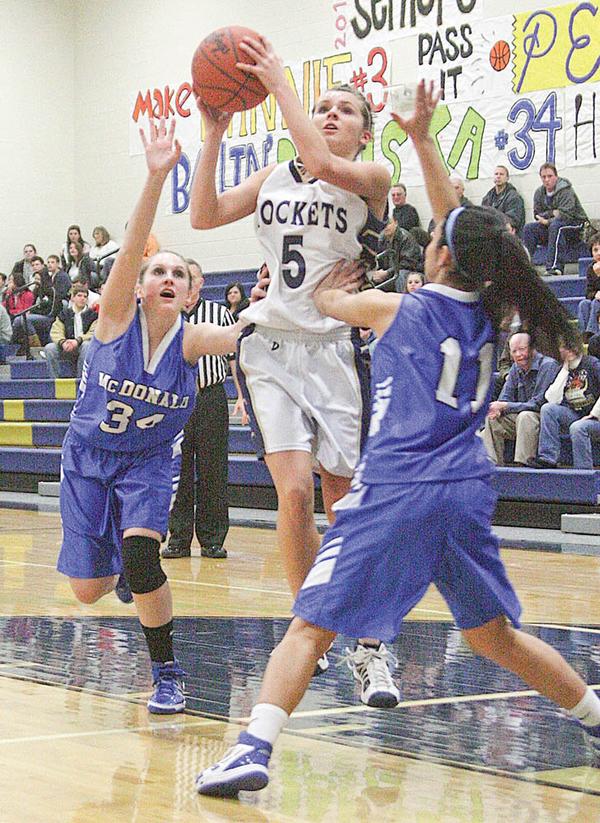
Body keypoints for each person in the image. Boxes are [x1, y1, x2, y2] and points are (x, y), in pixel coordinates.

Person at [196, 80, 600, 799]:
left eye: (435, 237)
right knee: (494, 637)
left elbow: (324, 300)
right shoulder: (488, 311)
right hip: (467, 494)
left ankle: (253, 744)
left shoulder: (397, 310)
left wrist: (325, 290)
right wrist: (422, 138)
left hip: (399, 490)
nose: (431, 233)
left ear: (440, 256)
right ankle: (594, 713)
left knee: (309, 627)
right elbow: (459, 221)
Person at [190, 35, 400, 706]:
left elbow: (316, 154)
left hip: (335, 348)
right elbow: (203, 213)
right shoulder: (277, 177)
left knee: (346, 505)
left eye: (344, 110)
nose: (330, 114)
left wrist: (279, 83)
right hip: (271, 346)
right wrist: (213, 134)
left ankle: (370, 646)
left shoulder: (374, 178)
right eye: (324, 106)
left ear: (366, 133)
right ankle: (311, 631)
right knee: (294, 496)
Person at [56, 118, 241, 715]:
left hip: (146, 463)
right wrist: (156, 175)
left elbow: (243, 334)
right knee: (87, 594)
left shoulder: (191, 342)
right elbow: (135, 245)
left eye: (178, 275)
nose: (165, 276)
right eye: (157, 272)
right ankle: (109, 569)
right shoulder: (113, 319)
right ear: (139, 288)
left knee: (142, 559)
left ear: (192, 294)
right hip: (87, 459)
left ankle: (166, 672)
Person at [162, 260, 247, 560]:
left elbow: (235, 358)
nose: (187, 282)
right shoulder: (166, 315)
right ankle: (178, 538)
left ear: (200, 283)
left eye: (192, 277)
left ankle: (212, 539)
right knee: (178, 471)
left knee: (214, 469)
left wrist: (241, 394)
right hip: (175, 402)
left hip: (211, 397)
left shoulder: (220, 313)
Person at [482, 332, 560, 466]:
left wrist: (506, 406)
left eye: (522, 349)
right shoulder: (515, 369)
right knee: (492, 419)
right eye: (514, 351)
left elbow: (539, 403)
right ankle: (492, 465)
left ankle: (523, 465)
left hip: (545, 418)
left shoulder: (548, 365)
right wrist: (497, 410)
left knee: (526, 416)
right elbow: (504, 398)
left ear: (532, 348)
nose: (518, 354)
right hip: (520, 417)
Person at [527, 341, 600, 469]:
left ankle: (583, 473)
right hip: (576, 414)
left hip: (595, 418)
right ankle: (548, 458)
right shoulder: (561, 367)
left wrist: (594, 414)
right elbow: (551, 399)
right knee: (548, 409)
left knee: (578, 427)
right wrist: (565, 370)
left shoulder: (592, 363)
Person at [522, 163, 588, 276]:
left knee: (556, 226)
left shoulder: (565, 190)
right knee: (529, 228)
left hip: (576, 226)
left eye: (550, 176)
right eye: (543, 177)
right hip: (552, 226)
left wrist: (548, 220)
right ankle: (524, 267)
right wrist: (553, 213)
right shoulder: (539, 193)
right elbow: (537, 214)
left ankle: (554, 268)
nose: (547, 180)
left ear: (556, 176)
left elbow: (566, 214)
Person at [44, 284, 97, 377]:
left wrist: (77, 341)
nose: (82, 298)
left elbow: (93, 333)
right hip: (66, 346)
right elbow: (56, 331)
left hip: (82, 346)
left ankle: (80, 380)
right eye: (79, 296)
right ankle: (55, 381)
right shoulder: (64, 313)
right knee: (49, 348)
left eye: (85, 296)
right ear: (73, 298)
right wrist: (63, 342)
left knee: (87, 346)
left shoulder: (93, 315)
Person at [481, 165, 525, 234]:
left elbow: (513, 220)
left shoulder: (514, 197)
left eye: (501, 174)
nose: (498, 176)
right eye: (496, 174)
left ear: (507, 178)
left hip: (508, 233)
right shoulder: (487, 197)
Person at [576, 234, 600, 338]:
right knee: (584, 304)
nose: (599, 253)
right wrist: (595, 294)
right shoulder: (591, 268)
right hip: (597, 299)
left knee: (596, 302)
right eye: (595, 250)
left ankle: (592, 333)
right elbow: (588, 292)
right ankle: (583, 334)